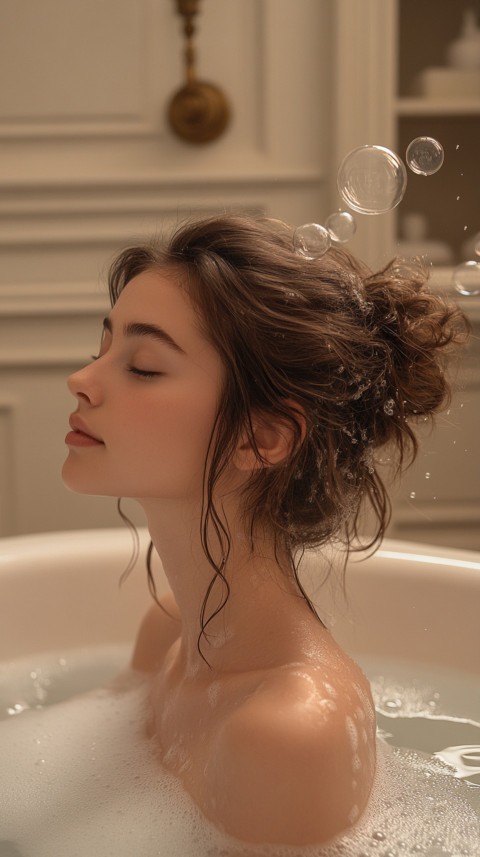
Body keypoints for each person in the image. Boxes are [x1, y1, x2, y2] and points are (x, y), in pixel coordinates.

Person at [62, 214, 467, 848]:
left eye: (142, 366)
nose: (81, 380)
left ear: (264, 437)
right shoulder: (169, 632)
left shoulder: (290, 731)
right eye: (102, 347)